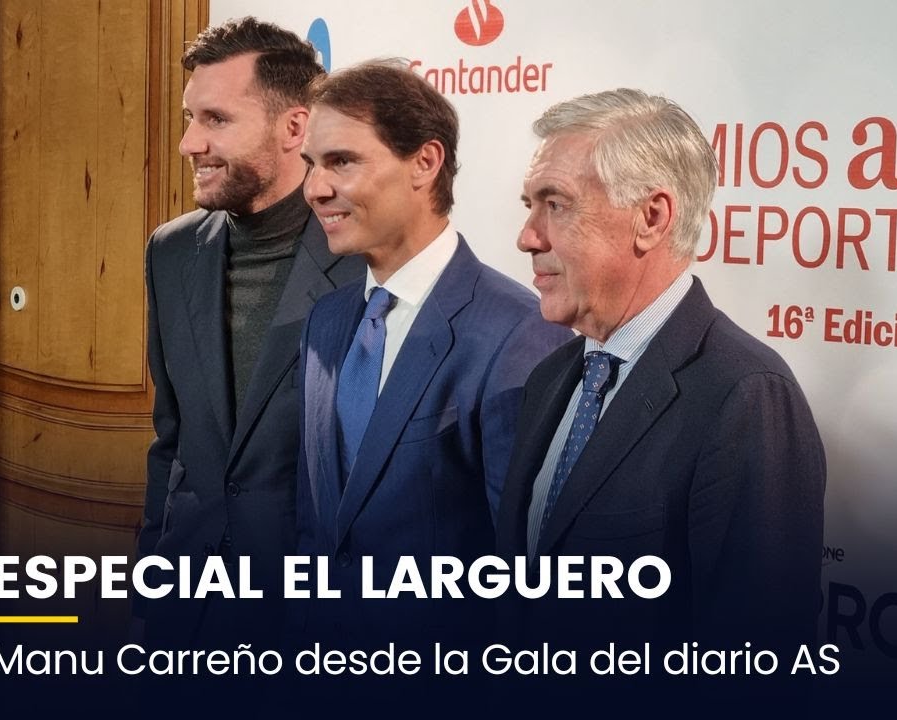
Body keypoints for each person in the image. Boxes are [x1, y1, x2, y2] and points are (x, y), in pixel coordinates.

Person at [496, 89, 826, 657]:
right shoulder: (550, 379)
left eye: (557, 204)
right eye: (531, 205)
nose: (528, 235)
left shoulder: (745, 396)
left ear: (650, 218)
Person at [294, 60, 570, 647]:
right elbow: (316, 525)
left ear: (425, 162)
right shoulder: (325, 320)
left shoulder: (520, 334)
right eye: (310, 164)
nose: (314, 188)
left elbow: (526, 575)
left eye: (341, 161)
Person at [136, 17, 365, 644]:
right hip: (185, 607)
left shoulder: (368, 261)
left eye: (215, 119)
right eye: (190, 118)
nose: (188, 143)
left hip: (311, 619)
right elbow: (172, 440)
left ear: (295, 128)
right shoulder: (170, 250)